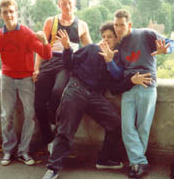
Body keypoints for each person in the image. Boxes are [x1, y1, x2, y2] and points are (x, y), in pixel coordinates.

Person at [41, 22, 153, 179]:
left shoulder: (117, 61)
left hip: (94, 96)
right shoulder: (92, 49)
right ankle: (53, 168)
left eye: (110, 37)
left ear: (117, 39)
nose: (106, 40)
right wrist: (67, 48)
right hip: (76, 89)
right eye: (104, 37)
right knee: (65, 130)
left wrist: (129, 78)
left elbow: (115, 88)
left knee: (115, 124)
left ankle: (105, 159)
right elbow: (68, 63)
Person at [0, 0, 52, 166]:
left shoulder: (27, 33)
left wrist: (45, 42)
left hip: (25, 79)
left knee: (30, 115)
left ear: (16, 12)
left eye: (11, 11)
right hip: (7, 79)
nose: (9, 15)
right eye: (5, 12)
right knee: (6, 115)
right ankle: (8, 151)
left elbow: (46, 55)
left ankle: (24, 152)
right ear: (1, 15)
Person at [108, 9, 171, 178]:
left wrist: (165, 51)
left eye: (121, 25)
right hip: (130, 87)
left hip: (147, 86)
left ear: (129, 24)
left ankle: (136, 164)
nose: (118, 28)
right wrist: (109, 61)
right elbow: (118, 74)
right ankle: (140, 162)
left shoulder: (146, 34)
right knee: (127, 128)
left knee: (143, 127)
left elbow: (170, 43)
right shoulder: (119, 47)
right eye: (116, 25)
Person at [33, 0, 92, 152]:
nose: (67, 6)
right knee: (38, 102)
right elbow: (41, 46)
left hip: (67, 63)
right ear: (59, 5)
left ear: (75, 3)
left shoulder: (81, 25)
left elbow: (89, 49)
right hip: (49, 60)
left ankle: (53, 122)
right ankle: (48, 138)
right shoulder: (51, 21)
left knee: (58, 92)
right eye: (63, 3)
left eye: (70, 3)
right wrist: (36, 68)